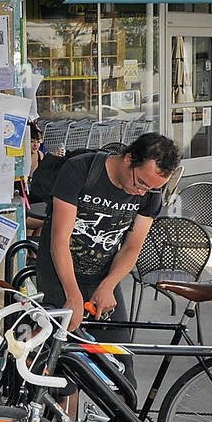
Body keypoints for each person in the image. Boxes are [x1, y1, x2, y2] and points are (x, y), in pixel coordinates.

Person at [34, 132, 181, 388]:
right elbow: (59, 240)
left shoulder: (149, 191)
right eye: (141, 183)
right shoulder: (80, 170)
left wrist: (108, 285)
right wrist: (72, 295)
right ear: (128, 159)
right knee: (63, 370)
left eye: (151, 188)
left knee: (122, 370)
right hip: (60, 274)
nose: (141, 192)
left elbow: (132, 247)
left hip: (103, 274)